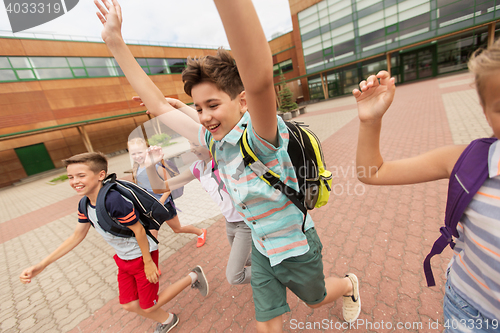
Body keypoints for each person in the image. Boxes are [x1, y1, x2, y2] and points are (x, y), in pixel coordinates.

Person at [94, 0, 360, 331]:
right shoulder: (213, 142)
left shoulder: (262, 136)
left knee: (315, 299)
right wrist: (116, 43)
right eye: (197, 107)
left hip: (294, 246)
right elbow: (159, 104)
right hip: (262, 248)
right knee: (267, 322)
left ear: (242, 101)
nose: (203, 116)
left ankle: (348, 285)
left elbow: (260, 79)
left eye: (213, 105)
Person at [354, 41, 500, 332]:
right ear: (484, 110)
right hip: (468, 310)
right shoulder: (469, 161)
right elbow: (372, 172)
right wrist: (371, 121)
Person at [19, 152, 209, 333]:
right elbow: (76, 236)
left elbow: (139, 231)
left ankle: (193, 277)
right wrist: (41, 265)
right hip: (124, 259)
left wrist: (148, 262)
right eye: (70, 177)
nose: (75, 181)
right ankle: (168, 319)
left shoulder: (113, 200)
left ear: (101, 174)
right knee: (128, 304)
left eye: (80, 176)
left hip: (142, 255)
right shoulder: (84, 204)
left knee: (150, 305)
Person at [146, 142, 252, 285]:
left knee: (234, 276)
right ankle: (274, 261)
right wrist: (150, 165)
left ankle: (278, 268)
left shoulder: (224, 159)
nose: (192, 149)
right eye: (190, 144)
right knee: (246, 258)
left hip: (246, 223)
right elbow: (159, 187)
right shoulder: (197, 168)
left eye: (195, 143)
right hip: (230, 223)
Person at [127, 137, 207, 247]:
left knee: (177, 229)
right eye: (133, 154)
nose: (137, 156)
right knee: (152, 235)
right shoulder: (136, 169)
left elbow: (169, 185)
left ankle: (200, 232)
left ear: (147, 150)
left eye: (140, 152)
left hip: (164, 205)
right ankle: (150, 259)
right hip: (150, 208)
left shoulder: (157, 166)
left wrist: (161, 201)